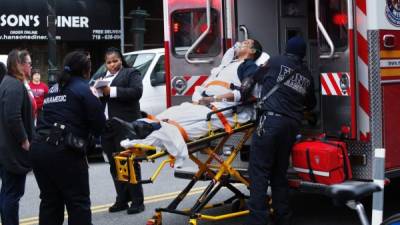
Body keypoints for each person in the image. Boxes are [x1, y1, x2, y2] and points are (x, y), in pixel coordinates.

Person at [120, 39, 264, 166]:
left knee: (177, 119)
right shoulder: (226, 66)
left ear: (252, 51)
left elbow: (243, 93)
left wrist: (214, 99)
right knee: (171, 112)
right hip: (204, 104)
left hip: (219, 107)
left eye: (245, 43)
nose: (240, 44)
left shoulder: (249, 66)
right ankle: (139, 128)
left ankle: (143, 131)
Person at [29, 51, 105, 225]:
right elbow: (99, 123)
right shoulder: (84, 89)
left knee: (50, 202)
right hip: (64, 151)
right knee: (78, 203)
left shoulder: (54, 88)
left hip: (40, 149)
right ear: (86, 70)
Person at [247, 36, 316, 225]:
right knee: (279, 173)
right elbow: (311, 104)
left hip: (270, 121)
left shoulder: (275, 61)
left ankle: (258, 220)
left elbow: (254, 78)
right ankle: (283, 217)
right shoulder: (307, 75)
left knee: (259, 172)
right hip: (291, 126)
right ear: (303, 54)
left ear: (287, 49)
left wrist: (243, 94)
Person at [94, 47, 145, 214]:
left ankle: (137, 201)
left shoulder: (131, 73)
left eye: (115, 61)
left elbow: (137, 92)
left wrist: (112, 91)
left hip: (125, 125)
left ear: (121, 60)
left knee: (129, 161)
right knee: (114, 165)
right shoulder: (102, 78)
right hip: (107, 126)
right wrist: (97, 93)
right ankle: (122, 199)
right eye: (108, 62)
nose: (112, 64)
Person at [0, 49, 35, 225]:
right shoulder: (14, 85)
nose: (31, 66)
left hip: (6, 148)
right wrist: (24, 140)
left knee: (8, 191)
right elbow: (13, 117)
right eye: (28, 63)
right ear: (19, 65)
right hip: (13, 150)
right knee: (12, 193)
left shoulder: (8, 83)